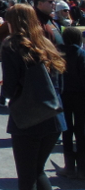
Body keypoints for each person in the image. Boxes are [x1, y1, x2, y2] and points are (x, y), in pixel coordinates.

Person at [1, 4, 66, 190]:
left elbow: (10, 89)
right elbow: (59, 81)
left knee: (27, 176)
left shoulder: (12, 45)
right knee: (38, 170)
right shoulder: (45, 42)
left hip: (29, 116)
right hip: (54, 114)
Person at [54, 27, 85, 179]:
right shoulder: (81, 54)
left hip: (64, 95)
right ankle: (82, 168)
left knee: (66, 130)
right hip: (80, 96)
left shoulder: (58, 53)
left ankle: (69, 166)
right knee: (81, 131)